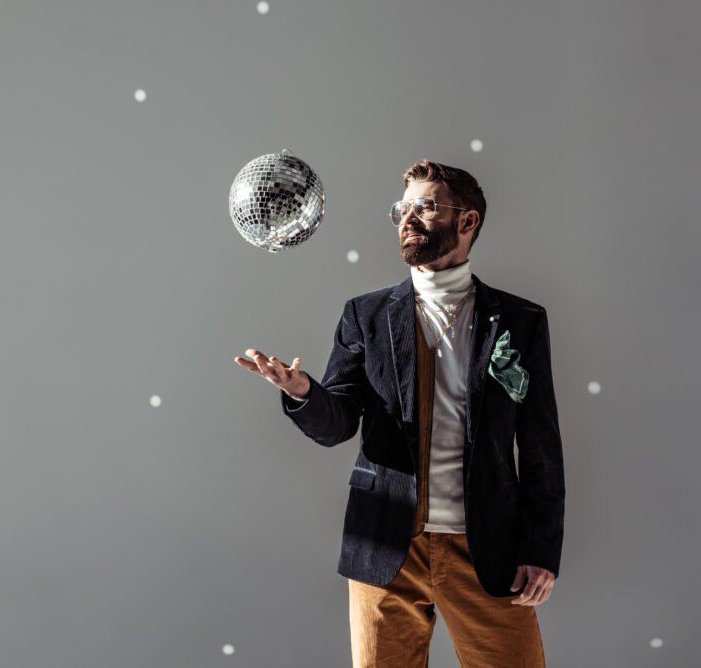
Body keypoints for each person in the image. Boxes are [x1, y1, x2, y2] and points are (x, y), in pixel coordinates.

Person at [234, 159, 565, 667]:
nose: (408, 218)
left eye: (426, 206)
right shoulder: (364, 315)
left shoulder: (520, 321)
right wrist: (302, 391)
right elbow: (339, 422)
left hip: (488, 550)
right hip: (384, 546)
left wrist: (541, 550)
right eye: (403, 208)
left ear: (467, 221)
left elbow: (541, 447)